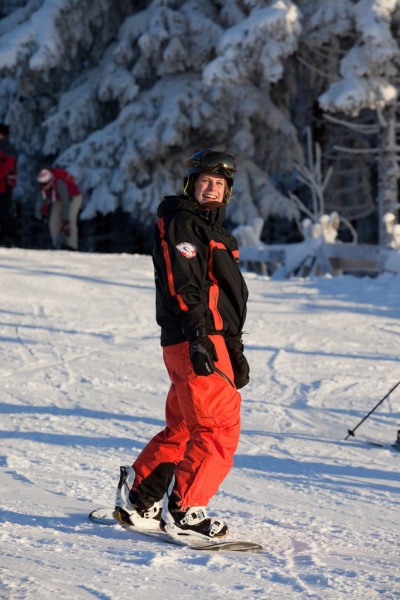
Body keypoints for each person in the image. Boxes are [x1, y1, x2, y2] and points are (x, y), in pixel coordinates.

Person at [114, 149, 250, 542]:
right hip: (196, 337)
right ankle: (187, 509)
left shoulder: (217, 233)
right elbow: (183, 284)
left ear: (227, 192)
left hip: (208, 338)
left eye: (219, 184)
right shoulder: (182, 223)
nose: (212, 189)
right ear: (191, 185)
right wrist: (199, 338)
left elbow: (224, 298)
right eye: (205, 181)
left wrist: (234, 346)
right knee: (217, 426)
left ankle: (141, 498)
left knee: (187, 424)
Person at [36, 167, 82, 250]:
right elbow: (44, 199)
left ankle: (72, 246)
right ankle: (57, 245)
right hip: (59, 198)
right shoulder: (43, 187)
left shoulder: (59, 183)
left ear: (50, 181)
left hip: (73, 197)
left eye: (45, 184)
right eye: (41, 184)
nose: (43, 186)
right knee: (53, 221)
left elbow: (65, 201)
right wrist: (44, 212)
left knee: (70, 220)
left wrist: (65, 221)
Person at [0, 124, 18, 247]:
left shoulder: (8, 148)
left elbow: (7, 167)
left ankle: (8, 238)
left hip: (4, 187)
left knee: (5, 213)